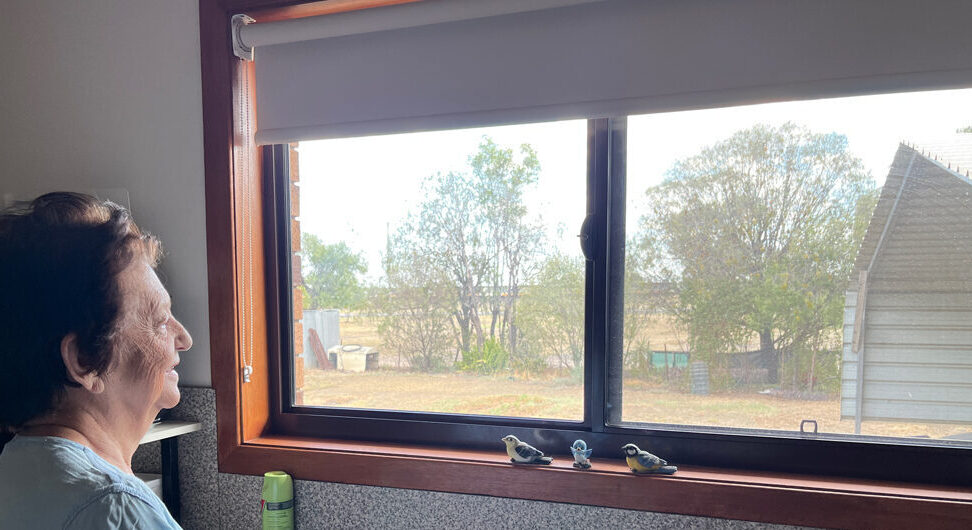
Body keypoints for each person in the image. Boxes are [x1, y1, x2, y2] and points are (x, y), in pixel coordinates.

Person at [0, 192, 192, 529]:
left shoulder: (13, 473)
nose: (184, 338)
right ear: (85, 359)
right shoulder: (116, 510)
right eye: (160, 320)